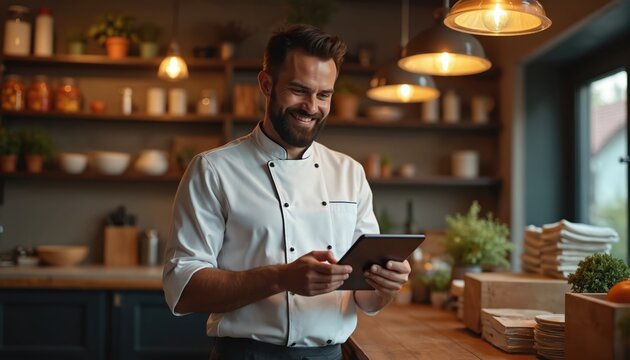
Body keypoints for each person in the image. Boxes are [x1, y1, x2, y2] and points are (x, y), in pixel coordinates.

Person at [162, 23, 411, 360]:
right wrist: (281, 277)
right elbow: (183, 289)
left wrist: (386, 286)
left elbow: (366, 299)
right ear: (267, 84)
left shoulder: (350, 173)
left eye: (324, 95)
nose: (312, 106)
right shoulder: (213, 169)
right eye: (299, 90)